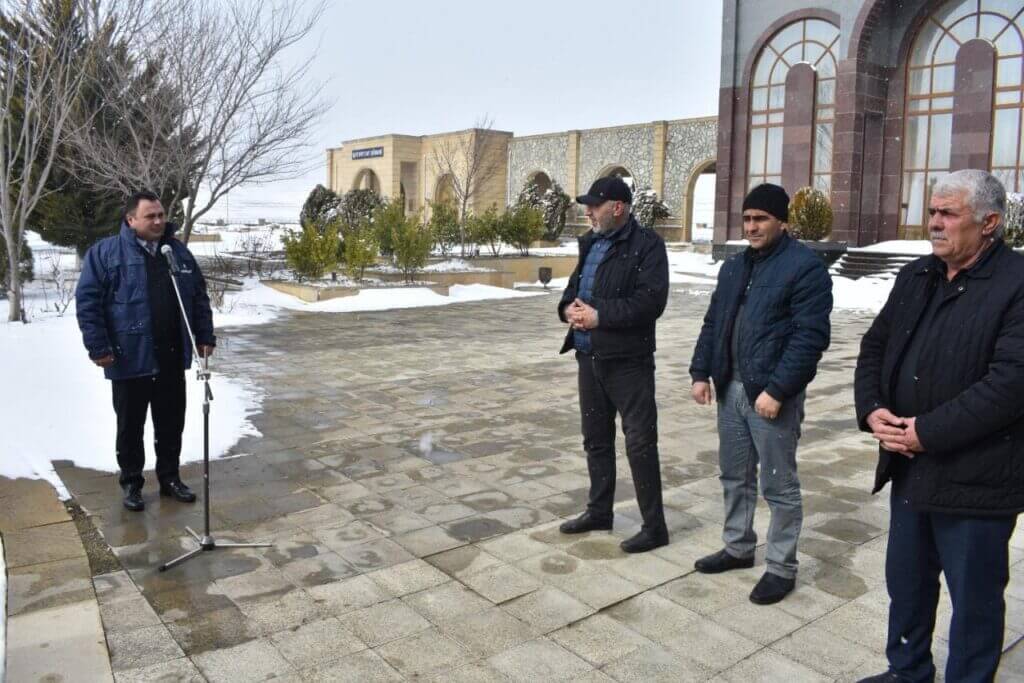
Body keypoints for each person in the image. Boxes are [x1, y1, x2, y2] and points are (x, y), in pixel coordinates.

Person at [854, 170, 1024, 683]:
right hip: (910, 470)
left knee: (974, 601)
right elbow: (875, 346)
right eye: (932, 211)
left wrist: (926, 431)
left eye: (948, 213)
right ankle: (907, 672)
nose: (934, 223)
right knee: (907, 584)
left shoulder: (1017, 283)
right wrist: (872, 408)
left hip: (978, 480)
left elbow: (1010, 384)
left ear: (989, 223)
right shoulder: (917, 275)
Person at [689, 183, 832, 604]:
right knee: (734, 475)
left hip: (770, 397)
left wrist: (778, 390)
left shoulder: (804, 267)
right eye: (747, 219)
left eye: (761, 219)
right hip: (729, 388)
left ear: (782, 222)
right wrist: (701, 372)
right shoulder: (734, 267)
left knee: (778, 484)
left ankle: (781, 567)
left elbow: (809, 338)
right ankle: (737, 547)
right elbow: (714, 322)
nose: (751, 227)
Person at [76, 191, 215, 511]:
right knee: (130, 427)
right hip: (129, 356)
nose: (158, 221)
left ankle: (170, 478)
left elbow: (198, 296)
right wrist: (98, 346)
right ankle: (132, 483)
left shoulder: (176, 252)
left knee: (171, 423)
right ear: (130, 220)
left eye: (161, 215)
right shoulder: (106, 253)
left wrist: (204, 335)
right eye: (150, 216)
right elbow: (88, 303)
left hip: (170, 355)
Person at [556, 176, 670, 553]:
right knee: (595, 439)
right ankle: (599, 511)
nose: (588, 212)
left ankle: (654, 527)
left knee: (639, 443)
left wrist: (600, 316)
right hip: (588, 358)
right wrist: (568, 310)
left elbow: (650, 302)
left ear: (617, 207)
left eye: (594, 205)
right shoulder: (591, 243)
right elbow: (573, 292)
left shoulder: (647, 246)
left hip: (628, 363)